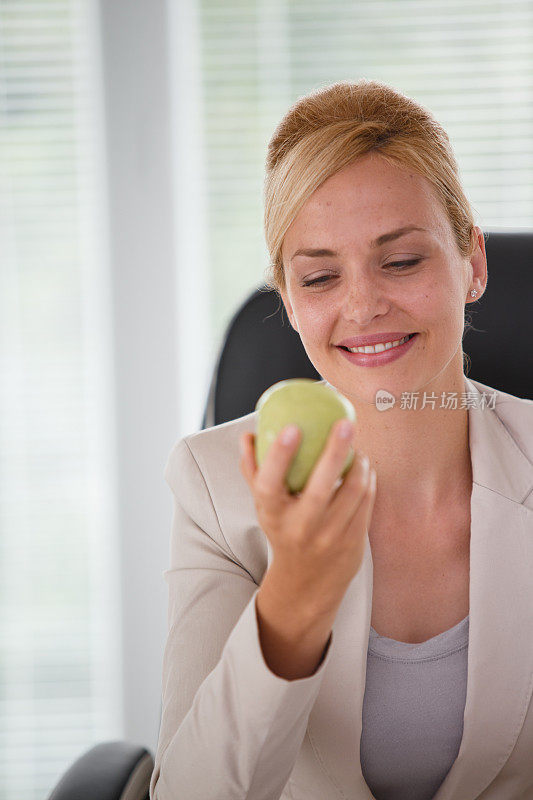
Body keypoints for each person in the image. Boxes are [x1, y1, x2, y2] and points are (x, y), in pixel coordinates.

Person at [149, 80, 533, 800]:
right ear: (289, 302)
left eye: (401, 261)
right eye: (320, 276)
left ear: (471, 263)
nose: (362, 305)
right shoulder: (212, 486)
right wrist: (293, 598)